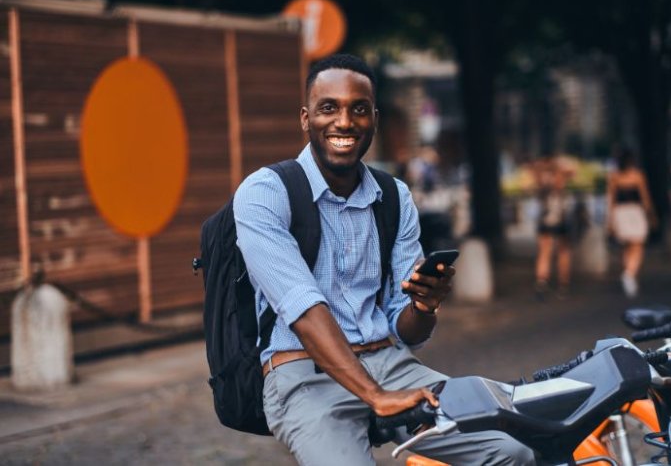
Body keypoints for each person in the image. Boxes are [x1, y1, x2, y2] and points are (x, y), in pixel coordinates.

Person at [233, 54, 535, 465]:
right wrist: (375, 396)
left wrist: (424, 305)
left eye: (358, 109)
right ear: (306, 119)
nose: (344, 121)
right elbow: (302, 306)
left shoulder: (393, 197)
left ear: (373, 119)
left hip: (390, 363)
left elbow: (406, 329)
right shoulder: (265, 193)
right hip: (304, 376)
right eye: (329, 108)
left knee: (513, 450)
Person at [606, 149, 657, 298]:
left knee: (628, 246)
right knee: (637, 244)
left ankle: (629, 274)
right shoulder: (638, 176)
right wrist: (651, 214)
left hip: (620, 213)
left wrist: (610, 221)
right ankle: (629, 274)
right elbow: (645, 197)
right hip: (635, 212)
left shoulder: (614, 177)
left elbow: (611, 200)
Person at [531, 154, 576, 300]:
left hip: (545, 217)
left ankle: (542, 282)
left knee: (544, 251)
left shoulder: (540, 177)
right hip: (560, 215)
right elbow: (573, 172)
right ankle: (564, 284)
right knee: (563, 251)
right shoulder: (559, 176)